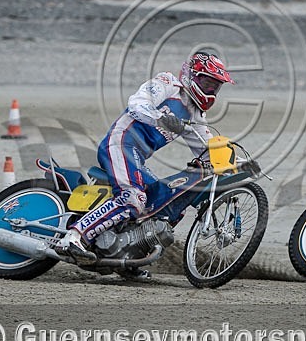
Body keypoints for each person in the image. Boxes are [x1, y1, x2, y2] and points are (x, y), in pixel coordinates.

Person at [54, 53, 234, 270]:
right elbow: (137, 104)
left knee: (168, 202)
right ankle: (74, 237)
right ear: (191, 76)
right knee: (133, 197)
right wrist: (160, 117)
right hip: (121, 142)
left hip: (138, 158)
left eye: (215, 87)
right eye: (207, 83)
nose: (210, 91)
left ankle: (126, 260)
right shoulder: (168, 84)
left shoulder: (195, 114)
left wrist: (235, 163)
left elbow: (207, 148)